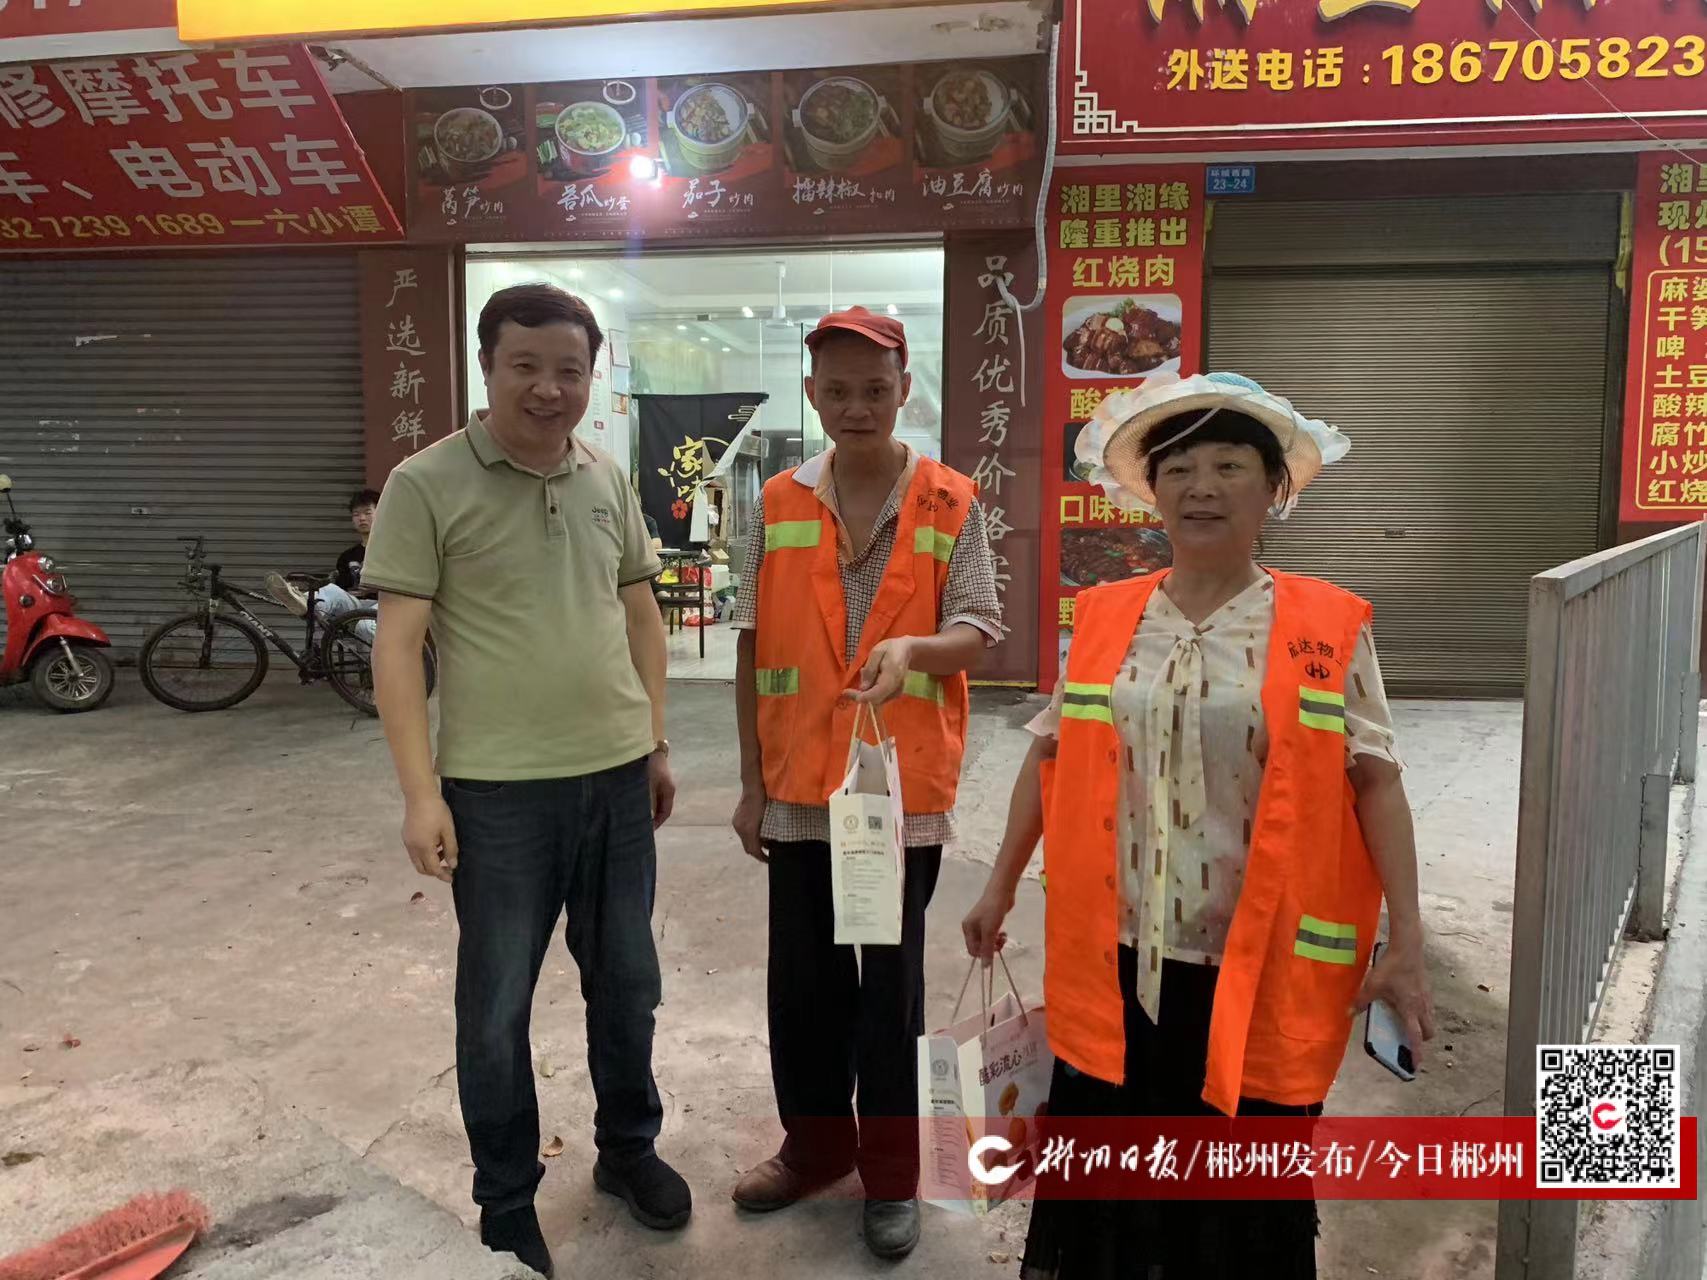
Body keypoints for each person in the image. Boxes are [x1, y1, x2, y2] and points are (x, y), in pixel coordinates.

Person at [962, 372, 1434, 1280]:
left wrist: (1406, 938)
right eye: (1178, 469)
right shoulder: (1105, 616)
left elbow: (1376, 783)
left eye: (1228, 466)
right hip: (1116, 955)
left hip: (1258, 965)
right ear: (1152, 493)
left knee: (1237, 1187)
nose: (1201, 488)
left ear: (1273, 489)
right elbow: (1050, 755)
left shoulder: (1328, 625)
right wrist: (996, 887)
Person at [362, 283, 689, 1279]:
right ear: (487, 367)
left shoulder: (604, 475)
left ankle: (627, 1148)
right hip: (498, 792)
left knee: (627, 983)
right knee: (497, 1004)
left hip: (617, 778)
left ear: (592, 375)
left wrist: (655, 742)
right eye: (526, 367)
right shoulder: (426, 482)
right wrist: (421, 794)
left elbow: (640, 615)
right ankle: (506, 1199)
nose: (550, 388)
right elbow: (398, 646)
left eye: (569, 370)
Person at [728, 306, 1003, 1259]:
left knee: (888, 991)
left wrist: (914, 648)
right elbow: (751, 645)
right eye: (837, 390)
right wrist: (751, 785)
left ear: (904, 390)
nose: (856, 406)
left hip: (895, 792)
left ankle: (890, 1174)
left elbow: (978, 626)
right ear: (811, 394)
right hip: (798, 788)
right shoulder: (775, 501)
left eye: (875, 390)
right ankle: (813, 1149)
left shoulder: (950, 500)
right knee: (801, 985)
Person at [264, 488, 381, 641]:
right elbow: (340, 590)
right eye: (356, 514)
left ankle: (385, 658)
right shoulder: (347, 556)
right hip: (356, 605)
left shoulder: (392, 549)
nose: (362, 518)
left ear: (380, 513)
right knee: (330, 589)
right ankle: (302, 602)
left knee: (365, 625)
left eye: (367, 512)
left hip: (385, 605)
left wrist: (375, 587)